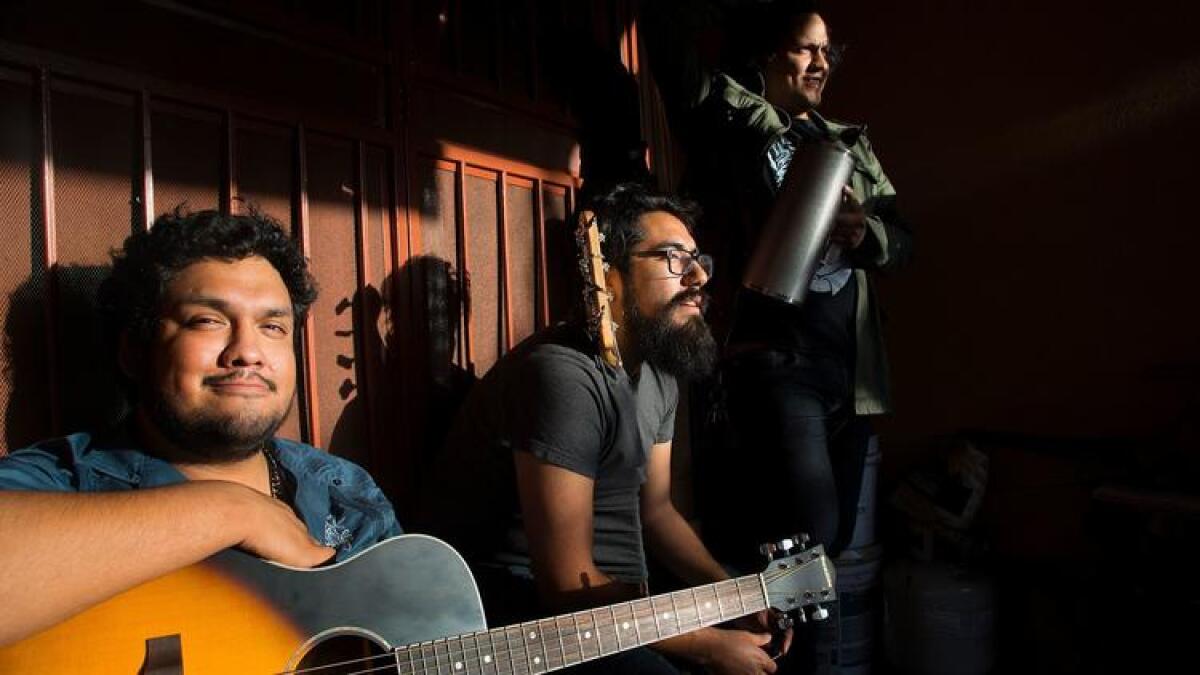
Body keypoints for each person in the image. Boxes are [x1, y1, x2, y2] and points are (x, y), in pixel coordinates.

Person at [421, 183, 789, 674]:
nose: (699, 276)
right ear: (608, 275)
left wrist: (733, 594)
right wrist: (705, 644)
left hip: (610, 607)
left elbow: (656, 512)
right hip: (520, 620)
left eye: (699, 259)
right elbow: (563, 586)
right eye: (673, 258)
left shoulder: (659, 371)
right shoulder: (563, 378)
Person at [0, 209, 401, 648]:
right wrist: (231, 512)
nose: (248, 352)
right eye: (208, 321)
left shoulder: (344, 495)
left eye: (272, 327)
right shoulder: (65, 482)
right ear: (134, 352)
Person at [641, 0, 913, 569]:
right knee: (808, 534)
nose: (821, 63)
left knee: (830, 543)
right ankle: (760, 648)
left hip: (851, 367)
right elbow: (671, 50)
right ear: (768, 53)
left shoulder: (850, 143)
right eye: (804, 48)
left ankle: (781, 642)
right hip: (775, 361)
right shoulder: (730, 117)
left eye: (826, 51)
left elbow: (903, 241)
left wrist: (866, 234)